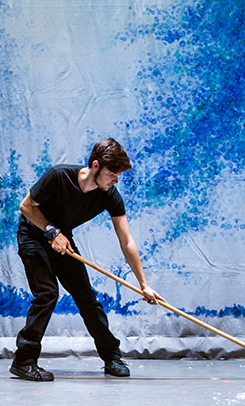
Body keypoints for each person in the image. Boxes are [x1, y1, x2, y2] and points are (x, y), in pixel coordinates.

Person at [11, 137, 161, 381]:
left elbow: (127, 241)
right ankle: (24, 360)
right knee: (47, 294)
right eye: (113, 173)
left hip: (62, 239)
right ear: (95, 166)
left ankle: (112, 356)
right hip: (33, 234)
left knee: (86, 297)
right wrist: (51, 231)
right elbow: (27, 206)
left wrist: (144, 285)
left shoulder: (109, 195)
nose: (116, 180)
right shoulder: (59, 176)